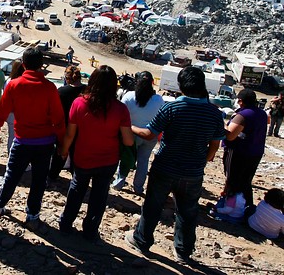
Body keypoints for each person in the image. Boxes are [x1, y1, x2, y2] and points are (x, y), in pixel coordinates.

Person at [126, 66, 226, 264]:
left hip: (165, 167)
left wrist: (128, 127)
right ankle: (182, 251)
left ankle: (142, 240)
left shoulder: (172, 108)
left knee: (152, 206)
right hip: (193, 172)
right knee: (187, 212)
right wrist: (201, 160)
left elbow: (149, 134)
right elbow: (215, 146)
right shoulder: (215, 114)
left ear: (181, 86)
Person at [0, 48, 65, 229]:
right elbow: (58, 119)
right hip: (45, 143)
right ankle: (32, 214)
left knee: (12, 176)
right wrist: (62, 142)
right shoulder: (49, 87)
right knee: (39, 181)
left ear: (23, 64)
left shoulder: (14, 85)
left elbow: (1, 112)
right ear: (41, 65)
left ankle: (0, 203)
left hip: (22, 140)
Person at [58, 65, 133, 240]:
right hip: (108, 160)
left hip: (83, 157)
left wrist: (64, 151)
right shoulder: (120, 109)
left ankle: (66, 223)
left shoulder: (79, 103)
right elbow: (128, 141)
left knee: (76, 190)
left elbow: (70, 134)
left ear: (92, 82)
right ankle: (90, 230)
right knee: (99, 195)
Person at [112, 71, 165, 194]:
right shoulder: (158, 99)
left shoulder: (129, 96)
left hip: (130, 132)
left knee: (126, 158)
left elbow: (120, 113)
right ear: (152, 82)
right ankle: (138, 187)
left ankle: (119, 182)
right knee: (143, 161)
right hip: (149, 134)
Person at [223, 88, 268, 208]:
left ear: (241, 101)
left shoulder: (243, 115)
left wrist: (221, 125)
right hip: (255, 152)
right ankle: (247, 205)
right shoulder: (262, 113)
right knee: (246, 181)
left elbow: (230, 136)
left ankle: (231, 206)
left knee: (233, 179)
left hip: (239, 152)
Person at [49, 65, 85, 182]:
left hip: (64, 126)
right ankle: (77, 178)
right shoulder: (87, 91)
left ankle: (52, 176)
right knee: (77, 155)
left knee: (59, 153)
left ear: (67, 77)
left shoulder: (62, 92)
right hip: (82, 129)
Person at [4, 59, 25, 152]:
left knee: (11, 136)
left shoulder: (9, 81)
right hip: (22, 113)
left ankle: (11, 155)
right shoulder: (25, 82)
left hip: (10, 113)